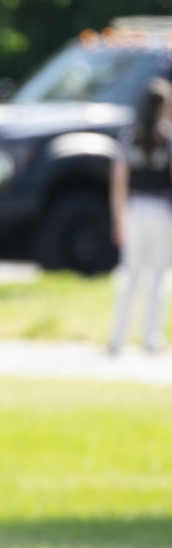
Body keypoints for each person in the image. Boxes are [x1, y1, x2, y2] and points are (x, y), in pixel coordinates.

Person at [108, 76, 172, 355]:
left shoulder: (129, 135)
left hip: (135, 209)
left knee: (131, 276)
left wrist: (118, 218)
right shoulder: (167, 137)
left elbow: (119, 180)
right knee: (158, 277)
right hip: (160, 210)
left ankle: (118, 338)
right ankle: (149, 338)